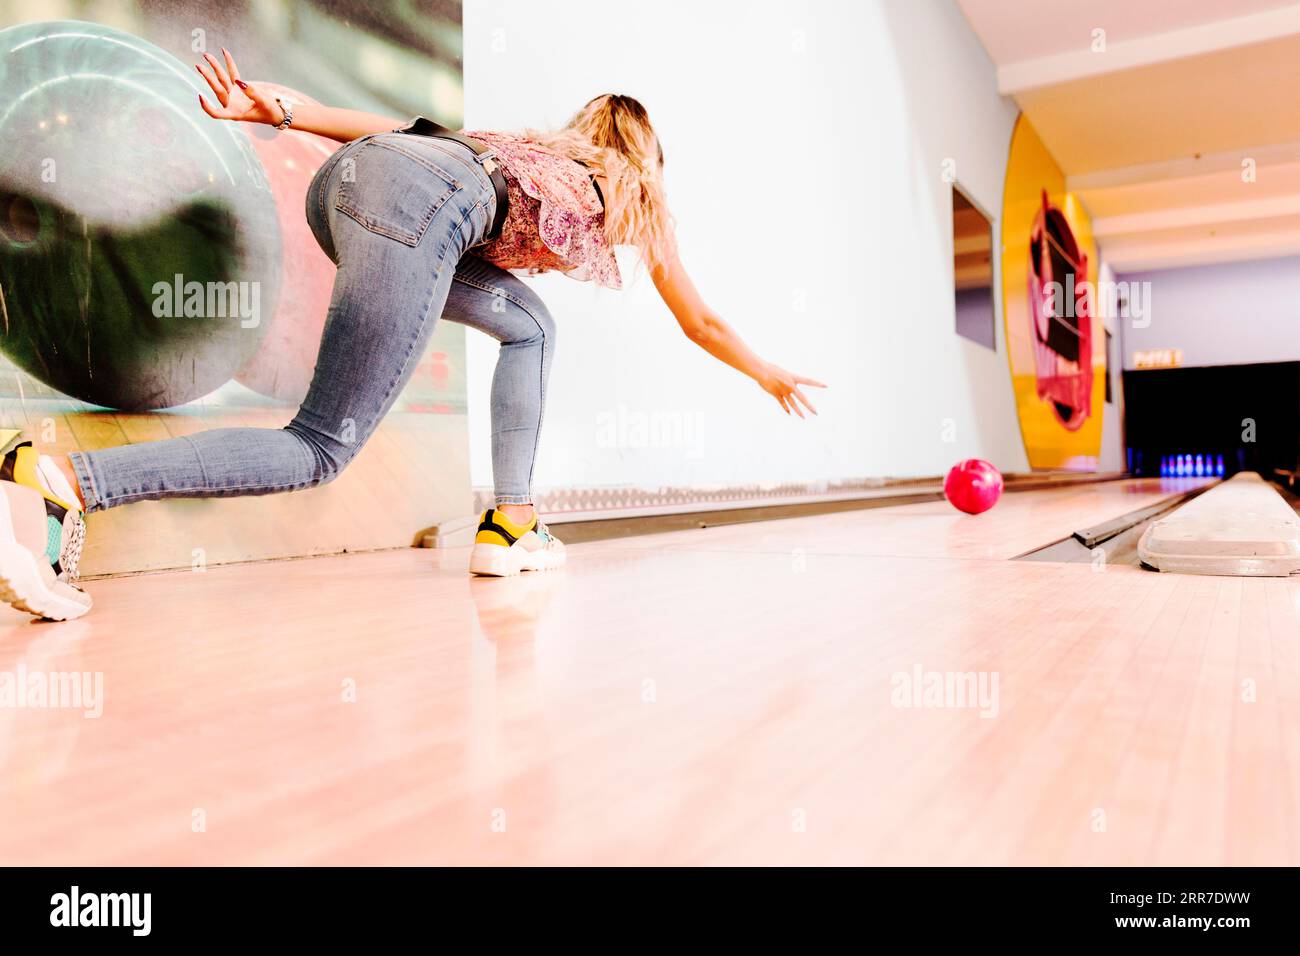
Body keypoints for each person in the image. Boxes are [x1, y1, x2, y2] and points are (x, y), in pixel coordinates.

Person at [0, 49, 824, 621]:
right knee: (318, 447)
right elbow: (699, 317)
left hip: (349, 192)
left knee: (531, 325)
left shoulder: (525, 147)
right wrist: (766, 371)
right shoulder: (633, 187)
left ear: (586, 127)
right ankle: (61, 480)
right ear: (645, 156)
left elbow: (400, 133)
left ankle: (512, 519)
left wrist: (285, 110)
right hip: (418, 212)